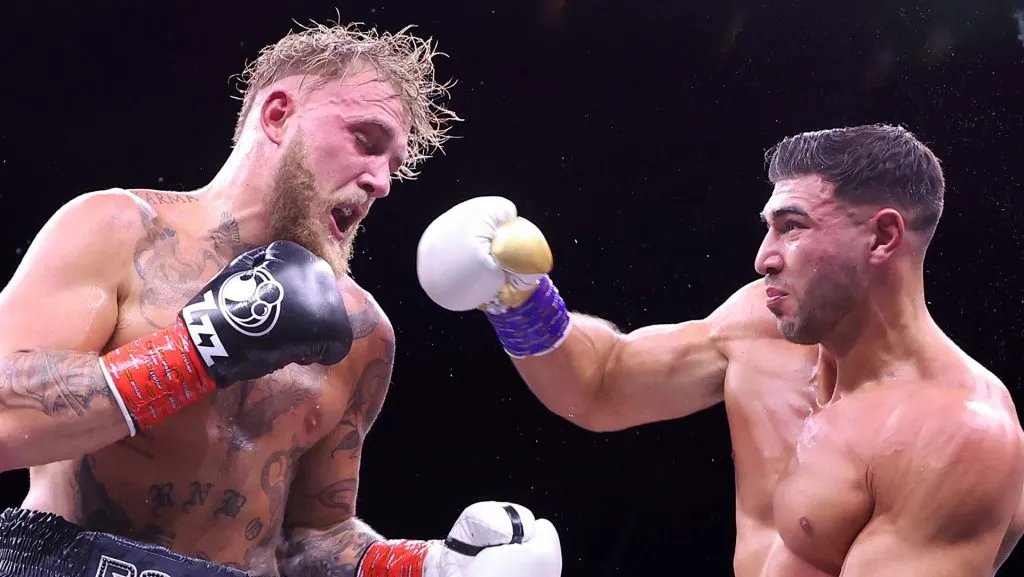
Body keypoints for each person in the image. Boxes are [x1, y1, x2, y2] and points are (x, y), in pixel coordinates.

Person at [0, 20, 561, 577]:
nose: (381, 182)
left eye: (394, 166)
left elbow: (310, 538)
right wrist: (196, 352)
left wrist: (431, 566)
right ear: (276, 116)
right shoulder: (120, 230)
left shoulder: (363, 332)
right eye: (366, 141)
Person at [417, 123, 1024, 576]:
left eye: (792, 226)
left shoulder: (957, 436)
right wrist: (520, 300)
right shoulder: (760, 323)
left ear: (883, 236)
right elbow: (602, 384)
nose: (764, 256)